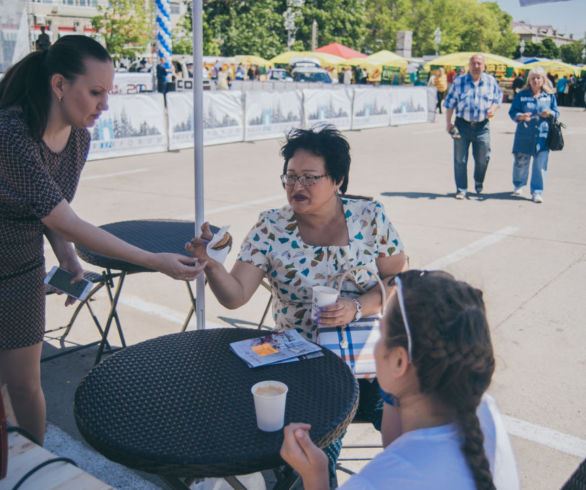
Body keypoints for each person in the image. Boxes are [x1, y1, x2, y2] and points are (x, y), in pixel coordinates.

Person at [0, 35, 205, 446]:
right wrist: (154, 260)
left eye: (107, 93)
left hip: (21, 267)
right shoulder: (11, 132)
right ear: (59, 85)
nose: (104, 104)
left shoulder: (79, 139)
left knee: (24, 384)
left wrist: (68, 259)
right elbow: (67, 219)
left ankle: (37, 466)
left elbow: (53, 215)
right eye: (95, 92)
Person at [186, 126, 407, 483]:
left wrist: (357, 307)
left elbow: (399, 278)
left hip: (369, 355)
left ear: (338, 180)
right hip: (304, 363)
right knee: (318, 454)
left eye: (309, 177)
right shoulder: (271, 227)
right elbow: (235, 295)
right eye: (290, 177)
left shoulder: (370, 216)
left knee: (411, 434)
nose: (296, 186)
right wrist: (212, 264)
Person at [281, 270, 520, 490]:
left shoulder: (375, 482)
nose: (375, 344)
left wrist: (316, 475)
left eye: (381, 333)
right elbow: (398, 443)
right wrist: (393, 393)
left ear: (399, 362)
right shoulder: (485, 411)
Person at [444, 54, 503, 199]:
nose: (476, 66)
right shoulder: (459, 82)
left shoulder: (490, 81)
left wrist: (493, 109)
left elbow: (498, 98)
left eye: (479, 64)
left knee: (483, 157)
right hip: (462, 125)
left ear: (484, 66)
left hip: (482, 126)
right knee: (460, 159)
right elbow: (449, 103)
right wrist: (448, 123)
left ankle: (478, 180)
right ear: (469, 65)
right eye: (473, 63)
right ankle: (461, 189)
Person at [509, 66, 559, 204]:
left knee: (540, 165)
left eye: (538, 78)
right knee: (521, 162)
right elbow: (513, 112)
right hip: (524, 134)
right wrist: (521, 116)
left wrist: (550, 114)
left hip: (542, 136)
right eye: (533, 78)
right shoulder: (521, 95)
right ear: (529, 80)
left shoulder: (549, 96)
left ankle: (537, 191)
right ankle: (518, 184)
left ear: (543, 80)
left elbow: (556, 112)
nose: (535, 80)